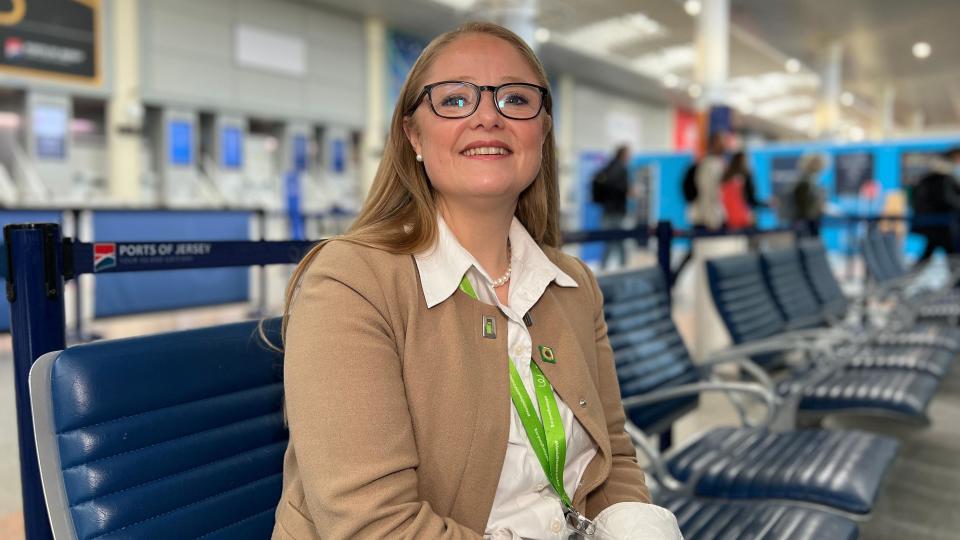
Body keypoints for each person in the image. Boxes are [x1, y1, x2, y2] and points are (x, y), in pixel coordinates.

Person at [273, 22, 681, 540]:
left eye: (514, 98)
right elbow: (373, 527)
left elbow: (612, 457)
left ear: (542, 131)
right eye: (454, 99)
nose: (488, 116)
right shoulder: (350, 284)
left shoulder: (573, 285)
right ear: (413, 136)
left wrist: (634, 524)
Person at [911, 147, 960, 263]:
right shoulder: (944, 179)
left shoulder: (934, 177)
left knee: (931, 253)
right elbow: (951, 201)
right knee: (952, 255)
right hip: (941, 225)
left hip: (934, 224)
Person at [593, 145, 630, 268]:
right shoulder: (621, 169)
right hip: (616, 210)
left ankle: (605, 265)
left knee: (610, 239)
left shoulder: (608, 167)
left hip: (607, 209)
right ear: (623, 154)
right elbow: (620, 188)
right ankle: (622, 266)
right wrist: (629, 191)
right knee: (617, 239)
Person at [791, 153, 827, 236]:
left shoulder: (810, 180)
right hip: (806, 222)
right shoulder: (805, 181)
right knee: (809, 244)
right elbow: (803, 204)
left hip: (809, 221)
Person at [719, 151, 755, 230]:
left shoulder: (726, 179)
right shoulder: (740, 181)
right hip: (741, 218)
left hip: (729, 218)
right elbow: (744, 200)